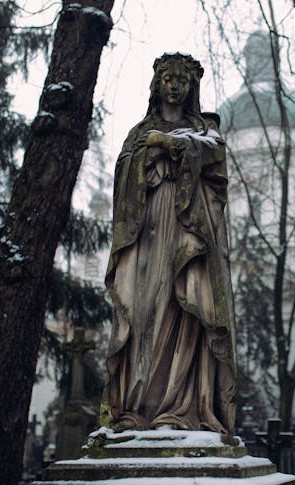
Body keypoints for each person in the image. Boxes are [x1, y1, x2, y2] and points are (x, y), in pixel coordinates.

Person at [105, 53, 236, 434]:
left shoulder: (205, 131)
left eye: (182, 80)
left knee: (185, 312)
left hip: (188, 239)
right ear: (157, 84)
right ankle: (136, 409)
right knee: (143, 315)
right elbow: (123, 179)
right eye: (168, 78)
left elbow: (215, 163)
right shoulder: (137, 134)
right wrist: (151, 151)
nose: (175, 85)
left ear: (192, 87)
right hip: (146, 240)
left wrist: (171, 144)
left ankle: (180, 410)